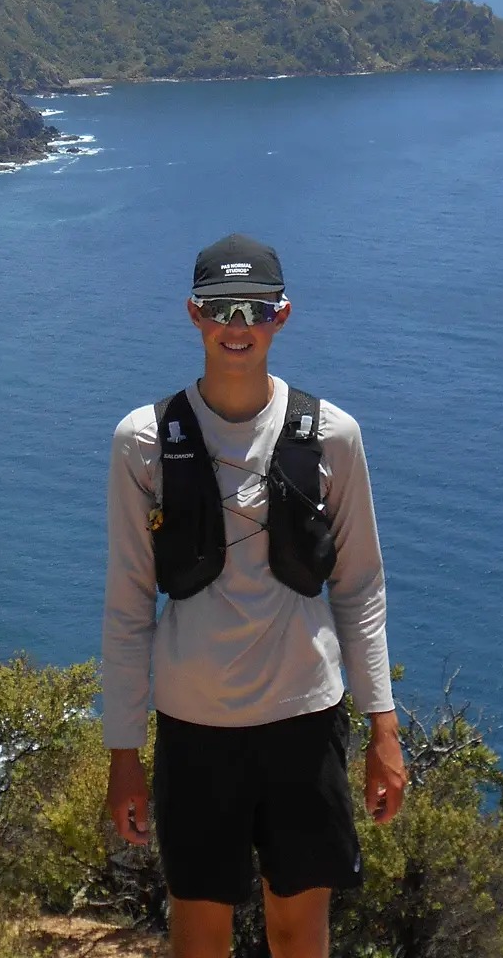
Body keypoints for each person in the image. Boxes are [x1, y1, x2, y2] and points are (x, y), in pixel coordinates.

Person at [102, 233, 406, 958]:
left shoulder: (332, 436)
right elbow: (127, 605)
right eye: (220, 308)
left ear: (283, 315)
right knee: (199, 931)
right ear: (194, 315)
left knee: (299, 931)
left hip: (306, 720)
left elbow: (360, 586)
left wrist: (383, 729)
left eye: (256, 309)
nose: (237, 325)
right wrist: (124, 753)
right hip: (193, 725)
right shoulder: (144, 441)